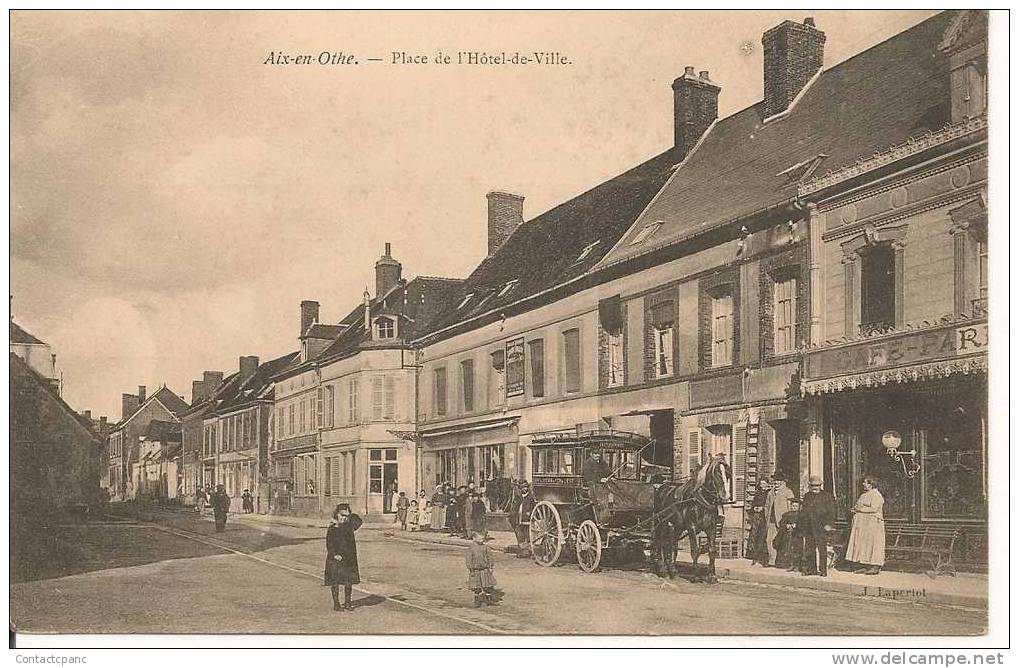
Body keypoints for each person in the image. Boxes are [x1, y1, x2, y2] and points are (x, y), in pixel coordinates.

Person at [324, 503, 363, 611]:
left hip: (348, 559)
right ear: (337, 514)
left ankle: (347, 603)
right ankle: (336, 604)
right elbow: (329, 543)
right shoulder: (332, 528)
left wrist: (349, 514)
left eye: (346, 516)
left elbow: (359, 521)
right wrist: (334, 554)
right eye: (342, 515)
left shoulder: (349, 526)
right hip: (336, 559)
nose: (344, 518)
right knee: (335, 581)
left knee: (348, 582)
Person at [845, 476, 886, 575]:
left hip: (872, 524)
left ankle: (875, 565)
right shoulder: (864, 495)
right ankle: (864, 564)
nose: (863, 484)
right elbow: (857, 505)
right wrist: (854, 510)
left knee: (873, 544)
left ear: (871, 484)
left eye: (865, 482)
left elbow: (874, 508)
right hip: (862, 525)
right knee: (863, 544)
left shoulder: (876, 495)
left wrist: (860, 509)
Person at [799, 475, 837, 576]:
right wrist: (802, 523)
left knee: (822, 549)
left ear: (821, 485)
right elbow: (803, 511)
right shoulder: (807, 496)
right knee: (809, 548)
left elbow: (832, 512)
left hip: (821, 526)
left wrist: (829, 524)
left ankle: (823, 570)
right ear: (810, 486)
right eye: (813, 486)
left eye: (817, 485)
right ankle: (811, 569)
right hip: (809, 526)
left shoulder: (827, 496)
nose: (815, 487)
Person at [764, 473, 794, 566]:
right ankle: (772, 560)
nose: (776, 482)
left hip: (782, 520)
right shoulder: (770, 493)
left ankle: (783, 561)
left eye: (778, 480)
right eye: (775, 480)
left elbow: (791, 507)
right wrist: (767, 518)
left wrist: (790, 520)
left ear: (783, 482)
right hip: (772, 521)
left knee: (783, 541)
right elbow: (767, 506)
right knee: (769, 540)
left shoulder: (788, 492)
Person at [465, 530, 497, 608]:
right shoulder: (471, 548)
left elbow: (490, 557)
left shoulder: (486, 547)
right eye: (480, 538)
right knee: (476, 587)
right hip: (475, 570)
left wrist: (490, 567)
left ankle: (488, 599)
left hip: (485, 569)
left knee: (487, 585)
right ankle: (477, 600)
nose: (482, 540)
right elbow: (468, 559)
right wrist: (471, 569)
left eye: (483, 539)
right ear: (474, 539)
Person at [747, 477, 772, 566]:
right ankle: (755, 557)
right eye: (761, 484)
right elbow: (753, 504)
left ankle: (765, 559)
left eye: (764, 484)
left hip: (765, 518)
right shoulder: (757, 493)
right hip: (757, 518)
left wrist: (763, 508)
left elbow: (769, 505)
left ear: (767, 484)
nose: (763, 486)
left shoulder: (769, 493)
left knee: (764, 537)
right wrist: (754, 507)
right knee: (755, 537)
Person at [776, 498, 802, 570]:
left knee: (796, 550)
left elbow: (803, 524)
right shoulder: (787, 515)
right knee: (787, 549)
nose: (794, 508)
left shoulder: (801, 515)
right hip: (787, 536)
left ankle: (796, 565)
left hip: (797, 535)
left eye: (796, 506)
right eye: (793, 506)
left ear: (799, 507)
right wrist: (786, 525)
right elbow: (781, 523)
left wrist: (796, 525)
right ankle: (788, 564)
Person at [512, 480, 535, 558]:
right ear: (520, 488)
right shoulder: (518, 497)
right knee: (520, 536)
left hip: (527, 519)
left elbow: (534, 507)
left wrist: (530, 513)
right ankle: (522, 551)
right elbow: (514, 507)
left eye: (526, 487)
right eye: (523, 487)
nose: (525, 489)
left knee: (527, 535)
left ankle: (529, 551)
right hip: (518, 519)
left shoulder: (531, 497)